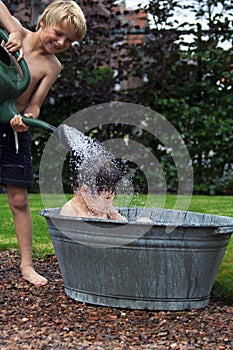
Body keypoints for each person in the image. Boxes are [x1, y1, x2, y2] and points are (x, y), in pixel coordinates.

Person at [0, 0, 86, 286]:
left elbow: (35, 105)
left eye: (69, 40)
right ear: (43, 21)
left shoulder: (52, 66)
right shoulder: (18, 36)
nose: (61, 42)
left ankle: (26, 266)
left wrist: (25, 118)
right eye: (58, 33)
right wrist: (12, 29)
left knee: (19, 200)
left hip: (13, 129)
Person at [60, 158, 127, 221]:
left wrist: (115, 215)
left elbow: (127, 227)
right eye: (107, 198)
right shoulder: (70, 211)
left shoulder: (104, 208)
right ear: (85, 191)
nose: (110, 203)